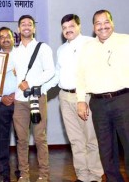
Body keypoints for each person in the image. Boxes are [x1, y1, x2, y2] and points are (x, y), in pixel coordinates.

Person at [44, 14, 103, 182]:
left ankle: (95, 176)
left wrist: (82, 99)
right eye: (64, 28)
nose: (68, 30)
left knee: (90, 139)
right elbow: (57, 74)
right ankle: (83, 176)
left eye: (71, 26)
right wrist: (42, 89)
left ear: (79, 26)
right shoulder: (61, 49)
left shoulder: (90, 44)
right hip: (64, 97)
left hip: (85, 97)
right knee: (75, 140)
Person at [77, 9, 129, 182]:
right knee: (106, 149)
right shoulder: (87, 47)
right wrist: (80, 101)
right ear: (93, 27)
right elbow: (80, 75)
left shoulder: (126, 40)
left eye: (106, 22)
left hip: (124, 100)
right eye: (98, 23)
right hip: (98, 104)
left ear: (112, 23)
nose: (102, 26)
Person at [11, 15, 55, 182]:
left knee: (39, 138)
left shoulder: (43, 48)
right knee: (21, 140)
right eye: (23, 24)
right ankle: (24, 175)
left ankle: (44, 175)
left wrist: (30, 82)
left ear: (34, 28)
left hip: (37, 98)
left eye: (30, 24)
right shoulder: (15, 52)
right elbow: (6, 71)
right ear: (18, 29)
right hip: (19, 101)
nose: (26, 26)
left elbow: (50, 71)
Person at [0, 27, 20, 182]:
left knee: (21, 139)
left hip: (20, 102)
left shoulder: (21, 55)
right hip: (0, 103)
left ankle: (21, 170)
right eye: (1, 37)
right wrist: (0, 96)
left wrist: (17, 95)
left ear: (13, 37)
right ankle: (3, 172)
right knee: (1, 139)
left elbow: (28, 77)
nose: (5, 39)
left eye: (7, 36)